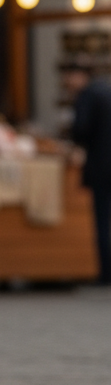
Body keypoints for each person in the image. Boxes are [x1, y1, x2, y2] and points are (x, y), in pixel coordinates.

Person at [67, 68, 111, 286]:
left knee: (103, 220)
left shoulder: (88, 95)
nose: (68, 81)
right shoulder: (107, 91)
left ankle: (106, 273)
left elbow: (81, 129)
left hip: (101, 167)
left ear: (81, 75)